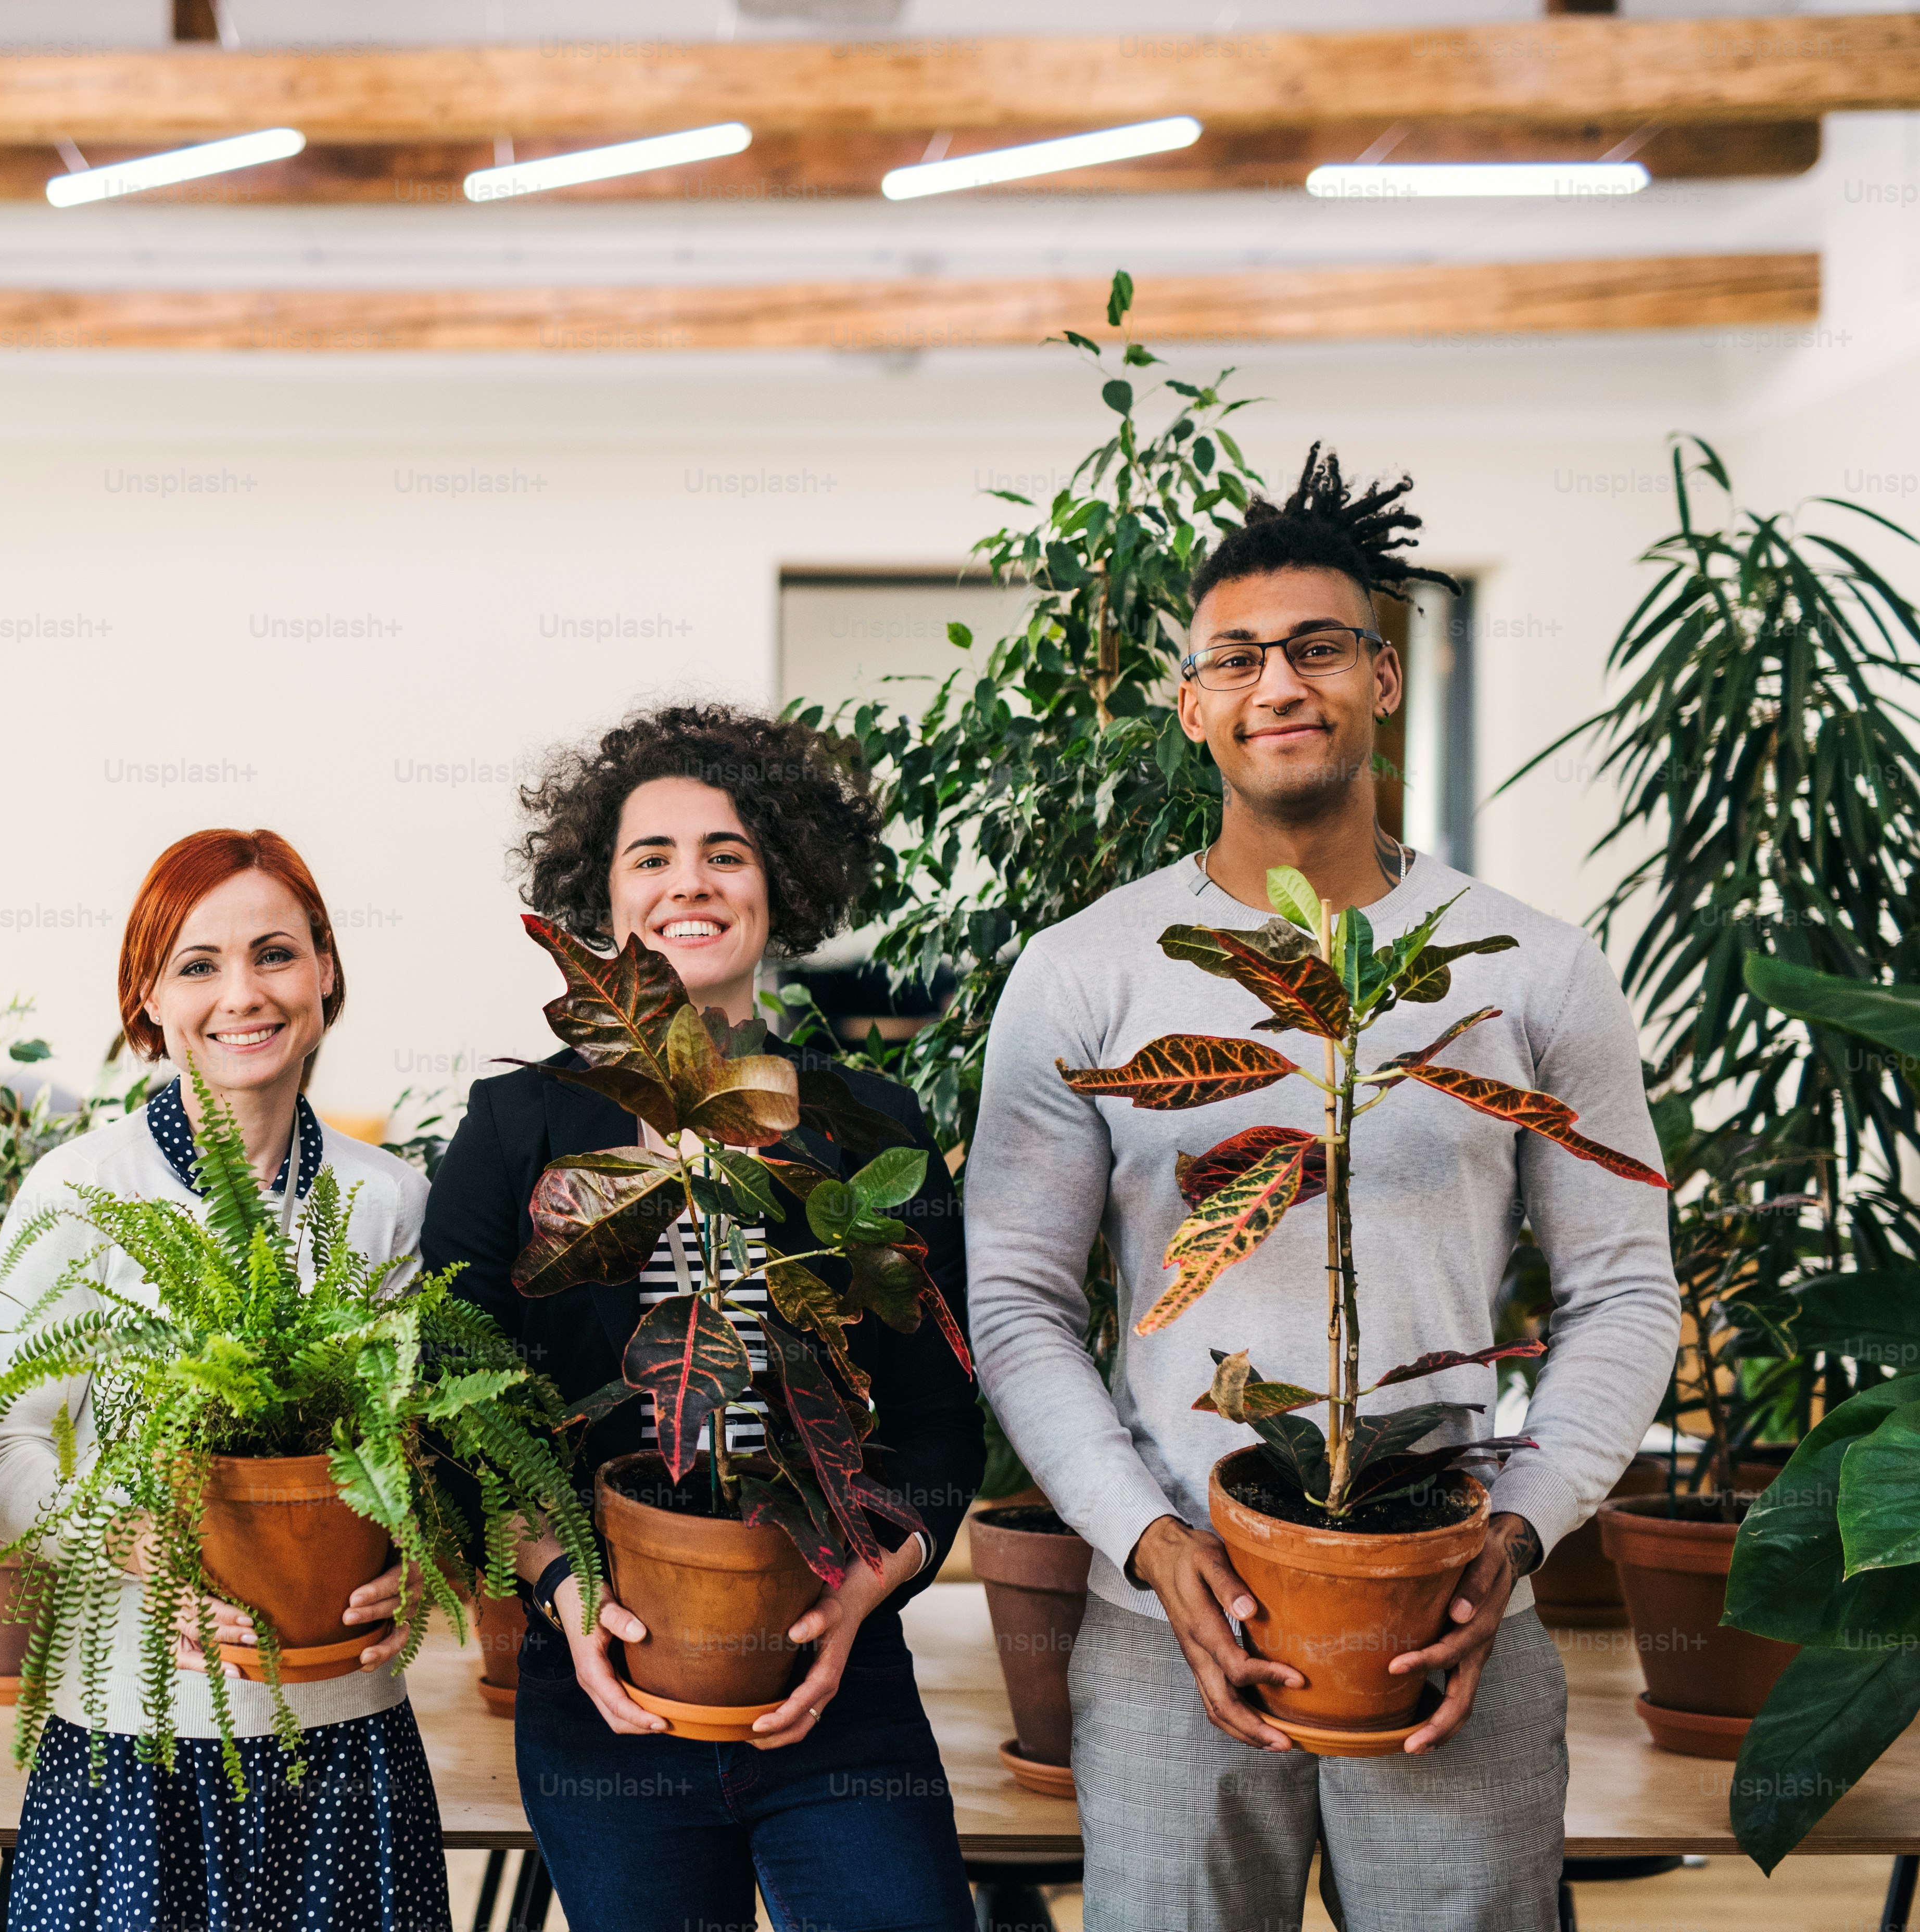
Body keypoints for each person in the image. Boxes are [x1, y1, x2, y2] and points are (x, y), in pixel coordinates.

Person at [965, 450, 1682, 1930]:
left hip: (1448, 1621)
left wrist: (1520, 1529)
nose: (1277, 682)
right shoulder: (1086, 971)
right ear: (1191, 703)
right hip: (1170, 1621)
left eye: (1317, 647)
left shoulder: (1526, 966)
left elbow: (1623, 1287)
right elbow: (1020, 1302)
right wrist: (1150, 1546)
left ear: (1384, 677)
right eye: (1235, 657)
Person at [423, 703, 982, 1932]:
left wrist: (858, 1601)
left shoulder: (870, 1124)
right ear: (602, 898)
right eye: (652, 856)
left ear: (780, 881)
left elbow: (943, 1430)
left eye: (727, 852)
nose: (693, 882)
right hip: (607, 1686)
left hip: (840, 1680)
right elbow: (458, 1399)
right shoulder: (519, 1128)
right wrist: (566, 1588)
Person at [0, 828, 450, 1932]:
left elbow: (432, 1443)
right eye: (197, 963)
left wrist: (427, 1548)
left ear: (325, 972)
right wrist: (136, 1541)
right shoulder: (81, 1187)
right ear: (148, 998)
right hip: (132, 1746)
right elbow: (0, 1449)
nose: (243, 992)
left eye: (275, 953)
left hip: (344, 1732)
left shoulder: (390, 1200)